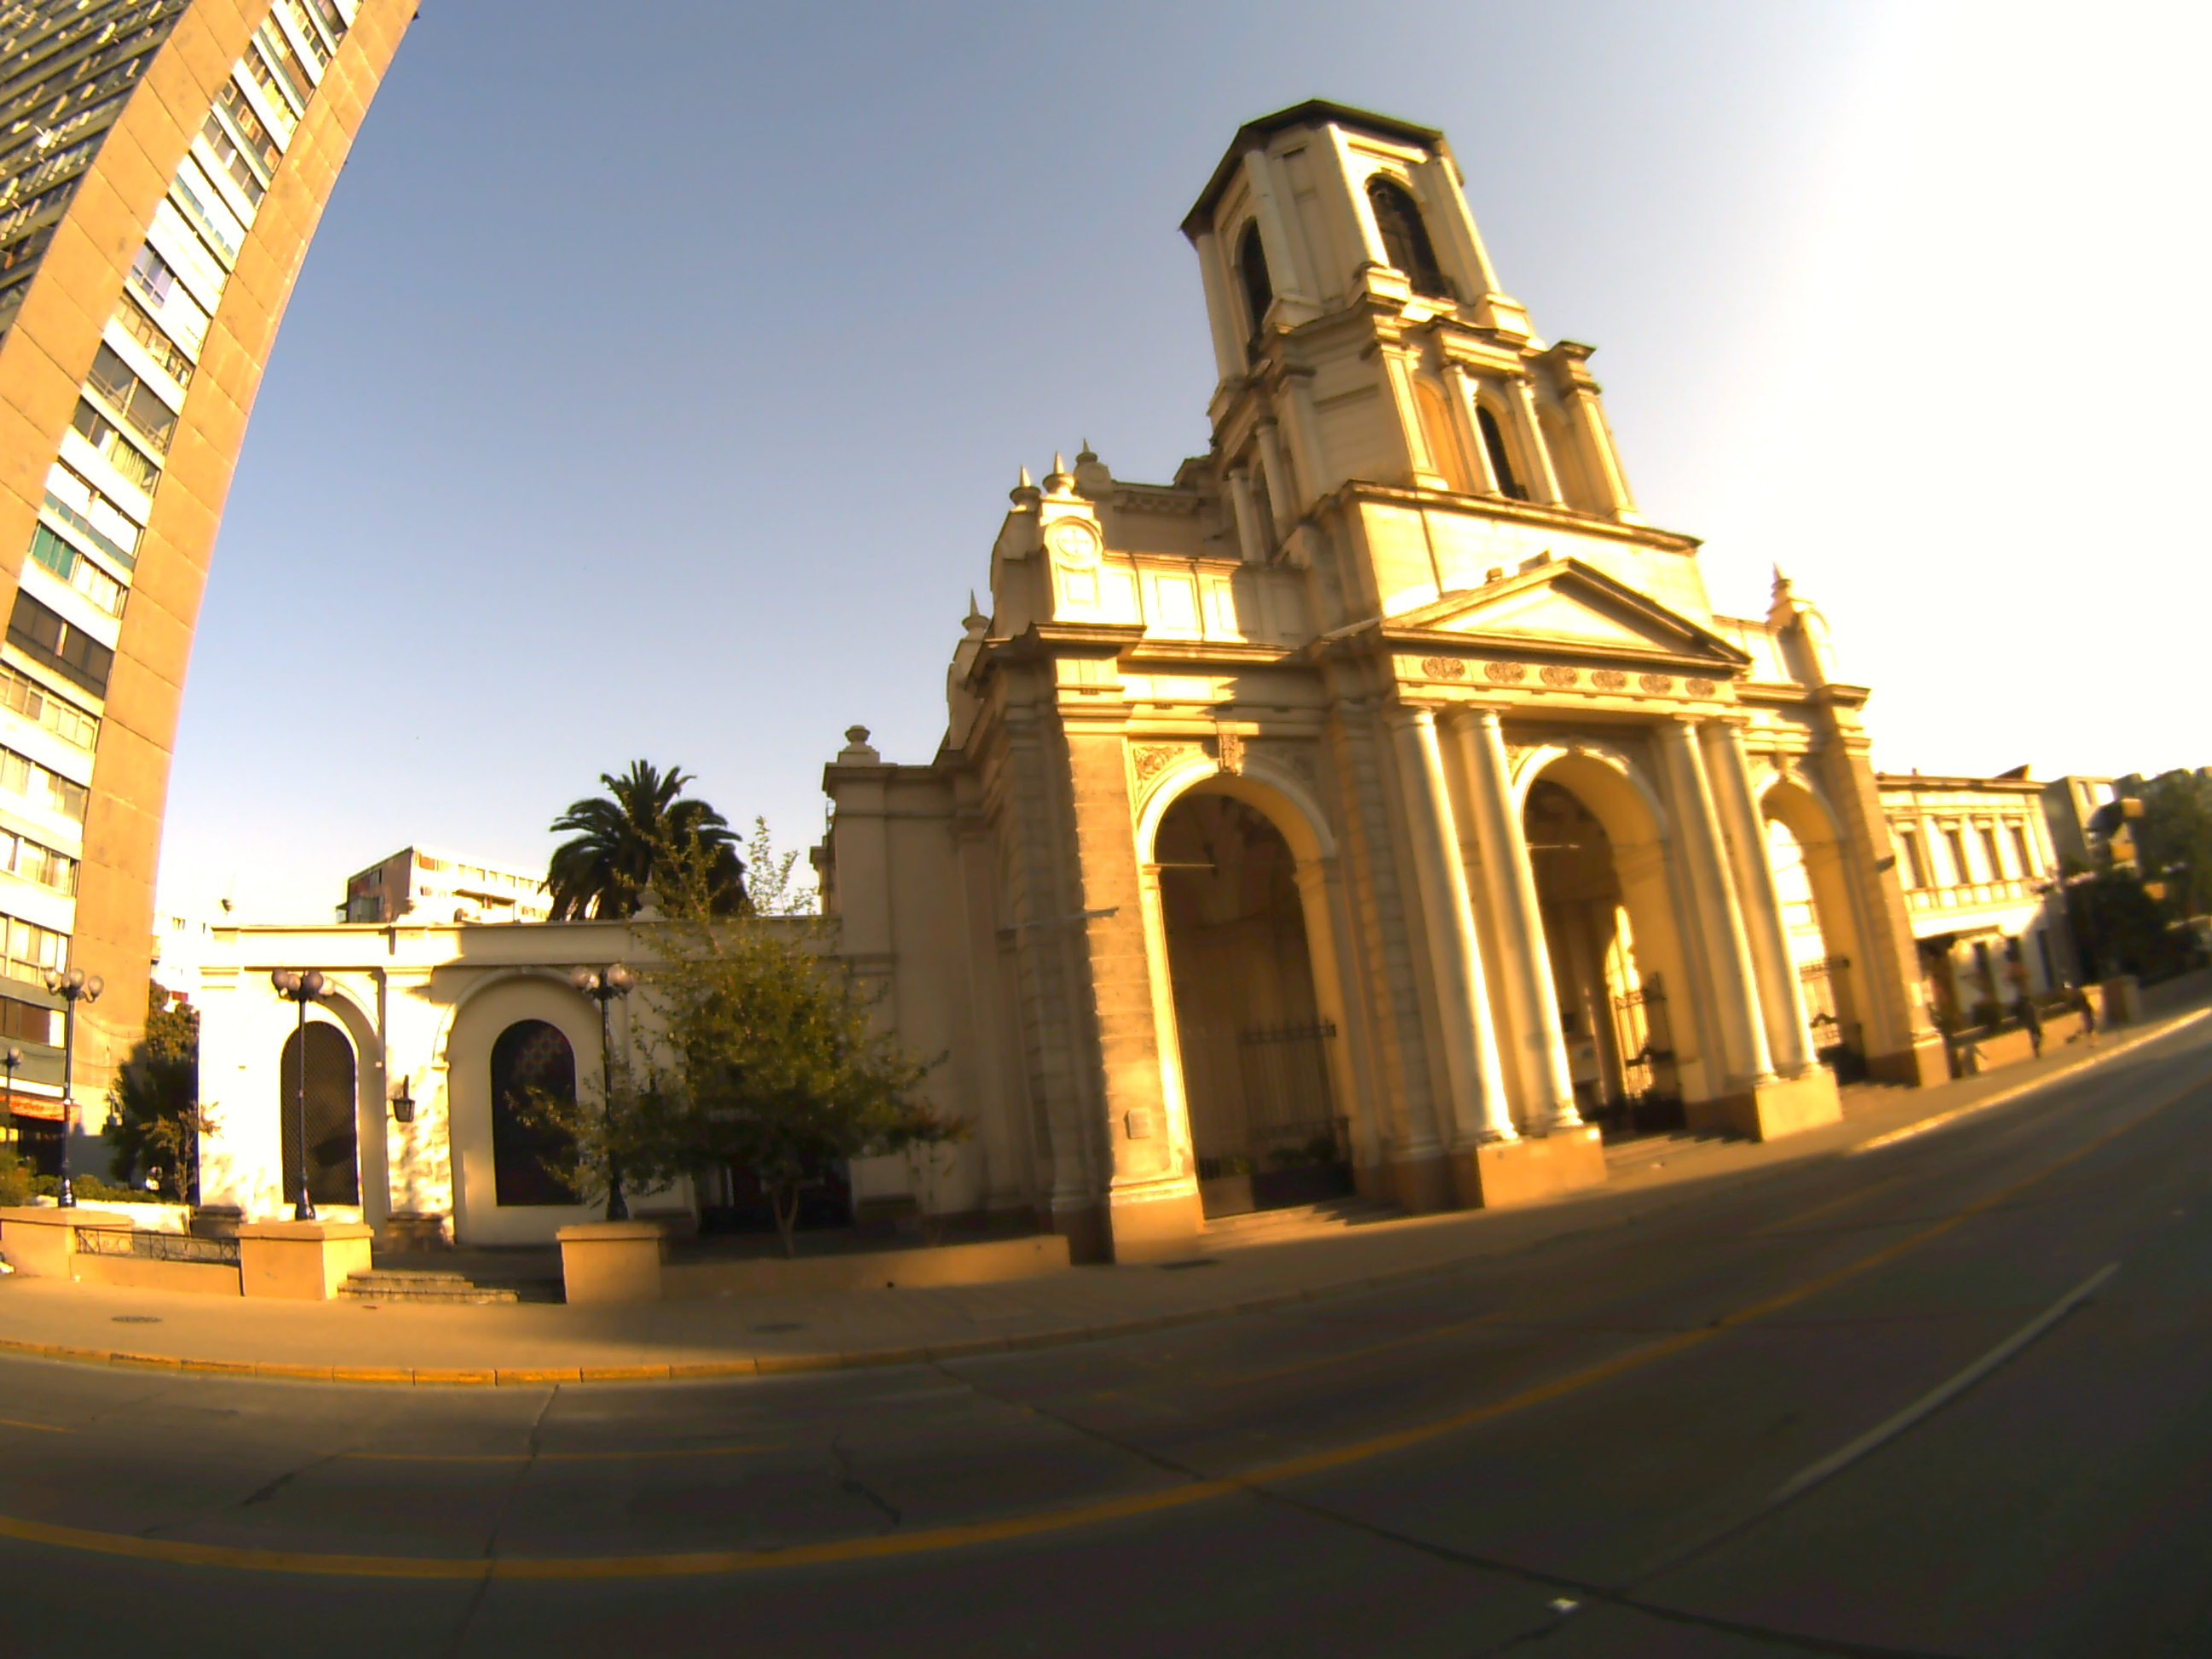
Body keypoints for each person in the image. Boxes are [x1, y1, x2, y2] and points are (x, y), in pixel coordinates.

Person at [2017, 992, 2044, 1060]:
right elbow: (2036, 1014)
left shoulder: (2026, 1008)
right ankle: (2036, 1048)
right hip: (2034, 1024)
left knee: (2035, 1036)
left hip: (2031, 1025)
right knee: (2039, 1036)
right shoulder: (2031, 1007)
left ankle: (2036, 1049)